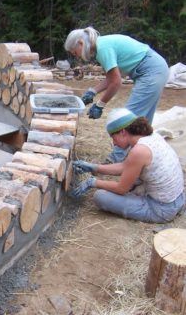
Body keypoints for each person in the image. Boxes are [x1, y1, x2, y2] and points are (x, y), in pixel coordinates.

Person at [64, 26, 169, 162]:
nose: (76, 55)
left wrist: (100, 104)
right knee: (143, 121)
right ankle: (145, 156)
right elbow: (111, 77)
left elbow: (116, 82)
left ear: (80, 43)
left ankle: (114, 160)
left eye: (74, 52)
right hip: (156, 68)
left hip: (151, 71)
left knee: (128, 120)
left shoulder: (102, 49)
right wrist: (93, 91)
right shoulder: (101, 46)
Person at [71, 108, 184, 223]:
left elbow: (121, 189)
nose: (114, 143)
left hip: (161, 210)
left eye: (113, 137)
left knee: (101, 197)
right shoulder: (151, 137)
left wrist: (93, 182)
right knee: (134, 181)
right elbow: (126, 166)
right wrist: (94, 167)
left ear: (123, 132)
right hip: (177, 200)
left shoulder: (139, 151)